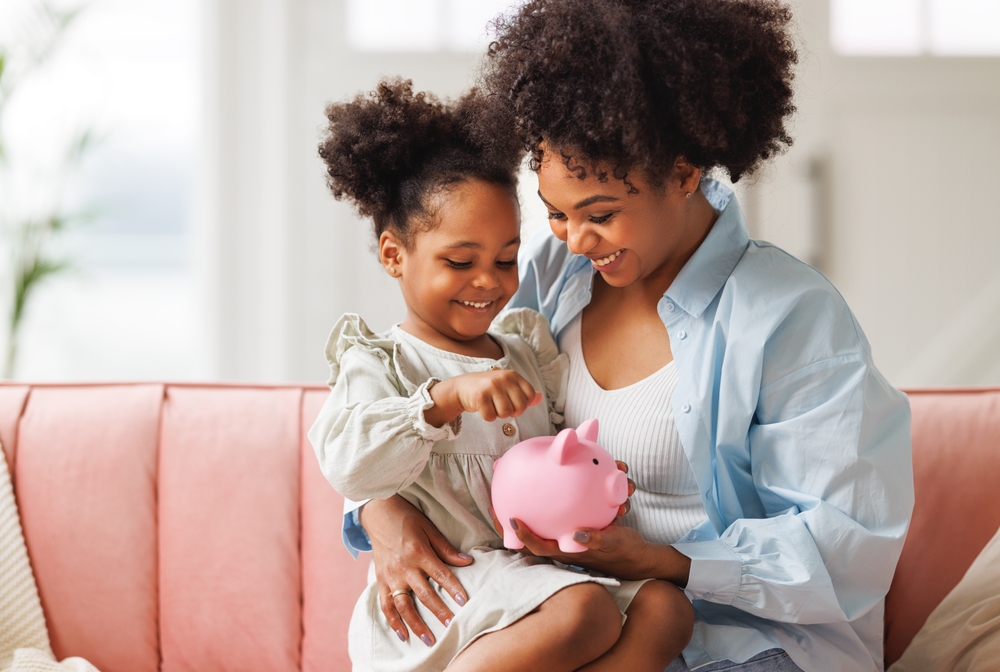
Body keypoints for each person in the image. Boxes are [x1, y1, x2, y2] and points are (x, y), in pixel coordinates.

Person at [349, 1, 915, 671]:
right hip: (587, 617)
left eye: (601, 215)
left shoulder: (791, 316)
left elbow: (847, 546)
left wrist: (660, 561)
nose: (575, 240)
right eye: (556, 213)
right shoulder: (555, 278)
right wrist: (381, 515)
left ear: (681, 174)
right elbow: (421, 396)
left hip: (747, 643)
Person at [309, 78, 694, 672]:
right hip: (449, 591)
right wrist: (441, 401)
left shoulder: (525, 351)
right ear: (393, 255)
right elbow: (348, 462)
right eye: (460, 262)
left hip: (531, 578)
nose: (488, 281)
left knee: (668, 611)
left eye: (506, 259)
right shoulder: (382, 362)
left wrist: (593, 482)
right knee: (585, 613)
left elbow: (563, 445)